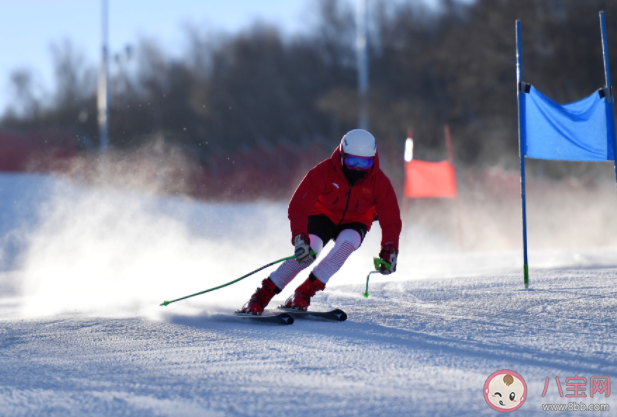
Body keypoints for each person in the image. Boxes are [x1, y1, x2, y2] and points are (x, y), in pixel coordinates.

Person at [238, 129, 402, 315]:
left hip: (356, 221)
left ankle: (303, 292)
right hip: (322, 215)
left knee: (345, 246)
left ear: (373, 160)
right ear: (342, 156)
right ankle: (261, 295)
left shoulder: (379, 183)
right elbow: (298, 206)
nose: (357, 168)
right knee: (310, 251)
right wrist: (300, 237)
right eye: (352, 161)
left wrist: (390, 249)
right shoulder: (324, 171)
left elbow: (392, 221)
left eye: (364, 163)